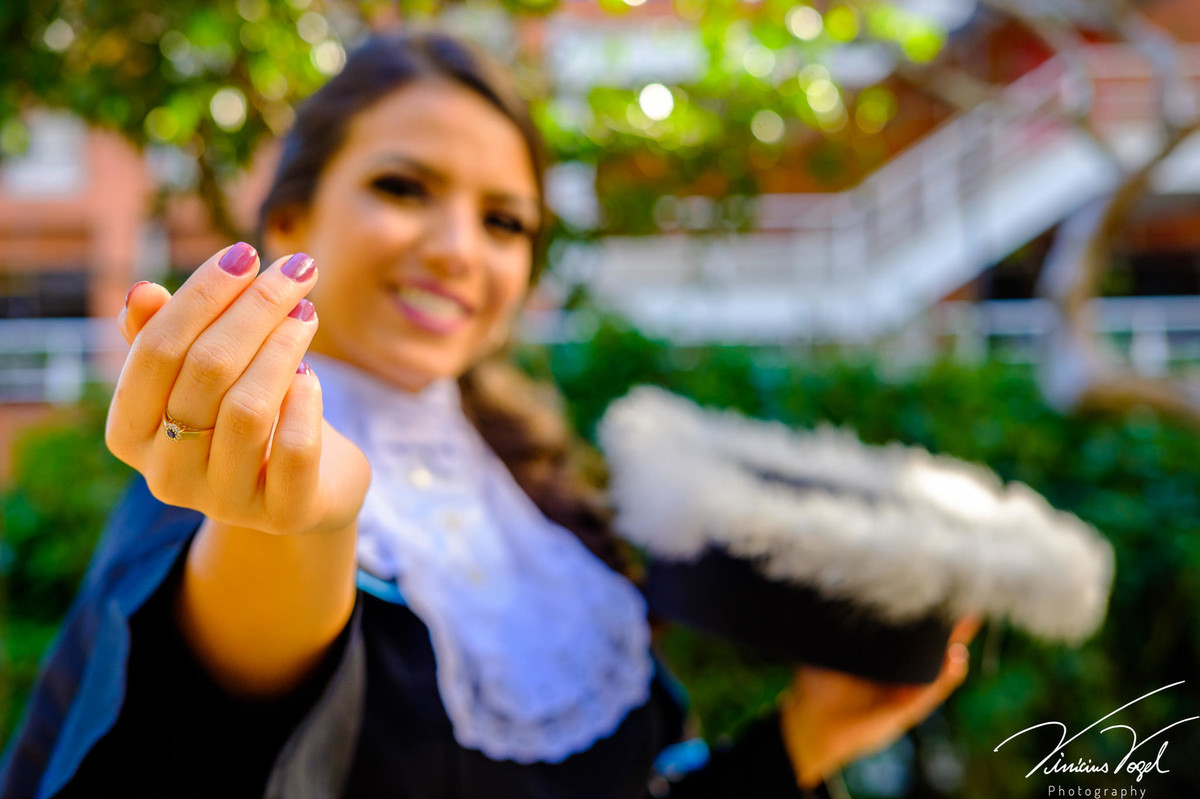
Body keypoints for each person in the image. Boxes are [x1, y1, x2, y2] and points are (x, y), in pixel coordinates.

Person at [0, 30, 975, 799]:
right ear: (289, 220)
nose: (460, 249)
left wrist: (809, 737)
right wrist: (302, 524)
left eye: (505, 221)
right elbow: (216, 739)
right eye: (402, 187)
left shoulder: (549, 509)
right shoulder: (225, 472)